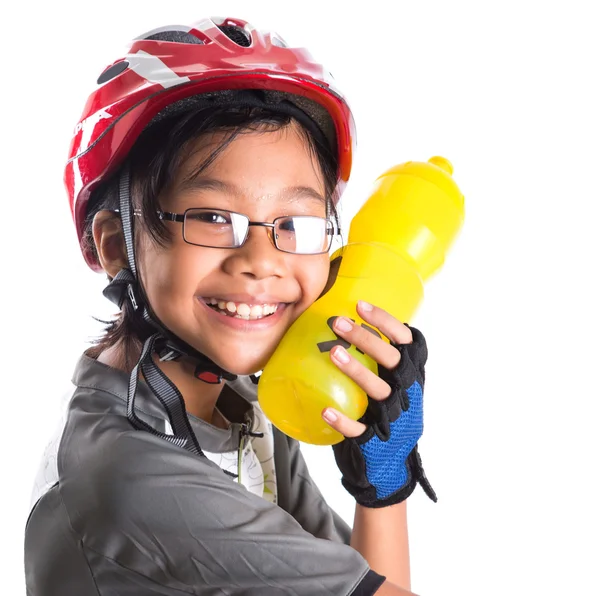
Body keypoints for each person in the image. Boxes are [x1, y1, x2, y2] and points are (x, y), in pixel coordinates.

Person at [24, 16, 437, 595]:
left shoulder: (239, 409)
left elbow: (361, 577)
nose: (262, 260)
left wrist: (382, 479)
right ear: (116, 245)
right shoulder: (134, 474)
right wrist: (386, 488)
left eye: (295, 223)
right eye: (214, 218)